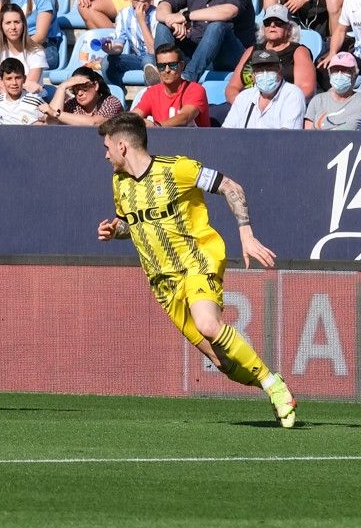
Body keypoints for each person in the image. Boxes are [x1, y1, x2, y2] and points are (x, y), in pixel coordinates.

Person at [96, 112, 297, 423]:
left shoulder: (178, 169)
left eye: (107, 146)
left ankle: (273, 387)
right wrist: (115, 230)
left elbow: (231, 186)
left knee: (209, 325)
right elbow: (131, 222)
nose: (105, 154)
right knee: (222, 362)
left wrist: (246, 233)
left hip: (197, 260)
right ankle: (271, 382)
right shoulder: (119, 183)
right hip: (162, 283)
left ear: (122, 146)